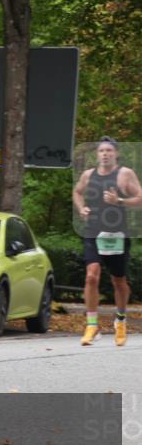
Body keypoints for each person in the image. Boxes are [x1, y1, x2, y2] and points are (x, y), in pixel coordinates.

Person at [73, 136, 141, 347]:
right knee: (91, 276)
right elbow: (77, 192)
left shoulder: (125, 174)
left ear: (116, 154)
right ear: (97, 154)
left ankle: (120, 320)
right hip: (93, 231)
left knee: (118, 281)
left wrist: (119, 200)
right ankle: (92, 325)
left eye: (109, 150)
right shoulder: (88, 175)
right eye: (101, 150)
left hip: (117, 233)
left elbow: (140, 199)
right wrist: (81, 208)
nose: (105, 154)